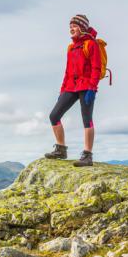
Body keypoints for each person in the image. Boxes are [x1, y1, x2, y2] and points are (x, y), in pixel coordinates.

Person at [45, 14, 102, 167]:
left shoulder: (91, 44)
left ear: (82, 27)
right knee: (54, 115)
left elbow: (96, 68)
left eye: (74, 26)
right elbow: (67, 71)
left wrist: (92, 88)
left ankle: (87, 155)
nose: (71, 29)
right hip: (70, 86)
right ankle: (61, 149)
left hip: (86, 86)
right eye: (70, 27)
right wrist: (62, 91)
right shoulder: (71, 48)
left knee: (87, 119)